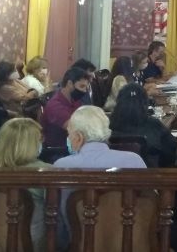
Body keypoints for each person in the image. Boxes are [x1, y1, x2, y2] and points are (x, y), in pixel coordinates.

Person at [54, 106, 146, 248]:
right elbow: (149, 207)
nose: (68, 139)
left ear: (78, 137)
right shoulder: (134, 160)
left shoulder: (61, 166)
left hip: (80, 245)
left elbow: (58, 220)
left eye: (69, 134)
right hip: (131, 243)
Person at [0, 118, 51, 251]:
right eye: (39, 139)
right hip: (33, 244)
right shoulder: (46, 172)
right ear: (29, 144)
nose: (42, 143)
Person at [109, 83, 177, 167]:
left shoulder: (108, 126)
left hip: (118, 172)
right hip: (150, 173)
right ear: (145, 103)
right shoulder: (153, 124)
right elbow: (171, 150)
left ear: (118, 103)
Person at [41, 67, 90, 148]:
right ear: (70, 84)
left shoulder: (74, 100)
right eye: (82, 86)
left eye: (86, 87)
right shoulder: (55, 105)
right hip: (57, 150)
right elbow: (74, 127)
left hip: (73, 145)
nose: (85, 91)